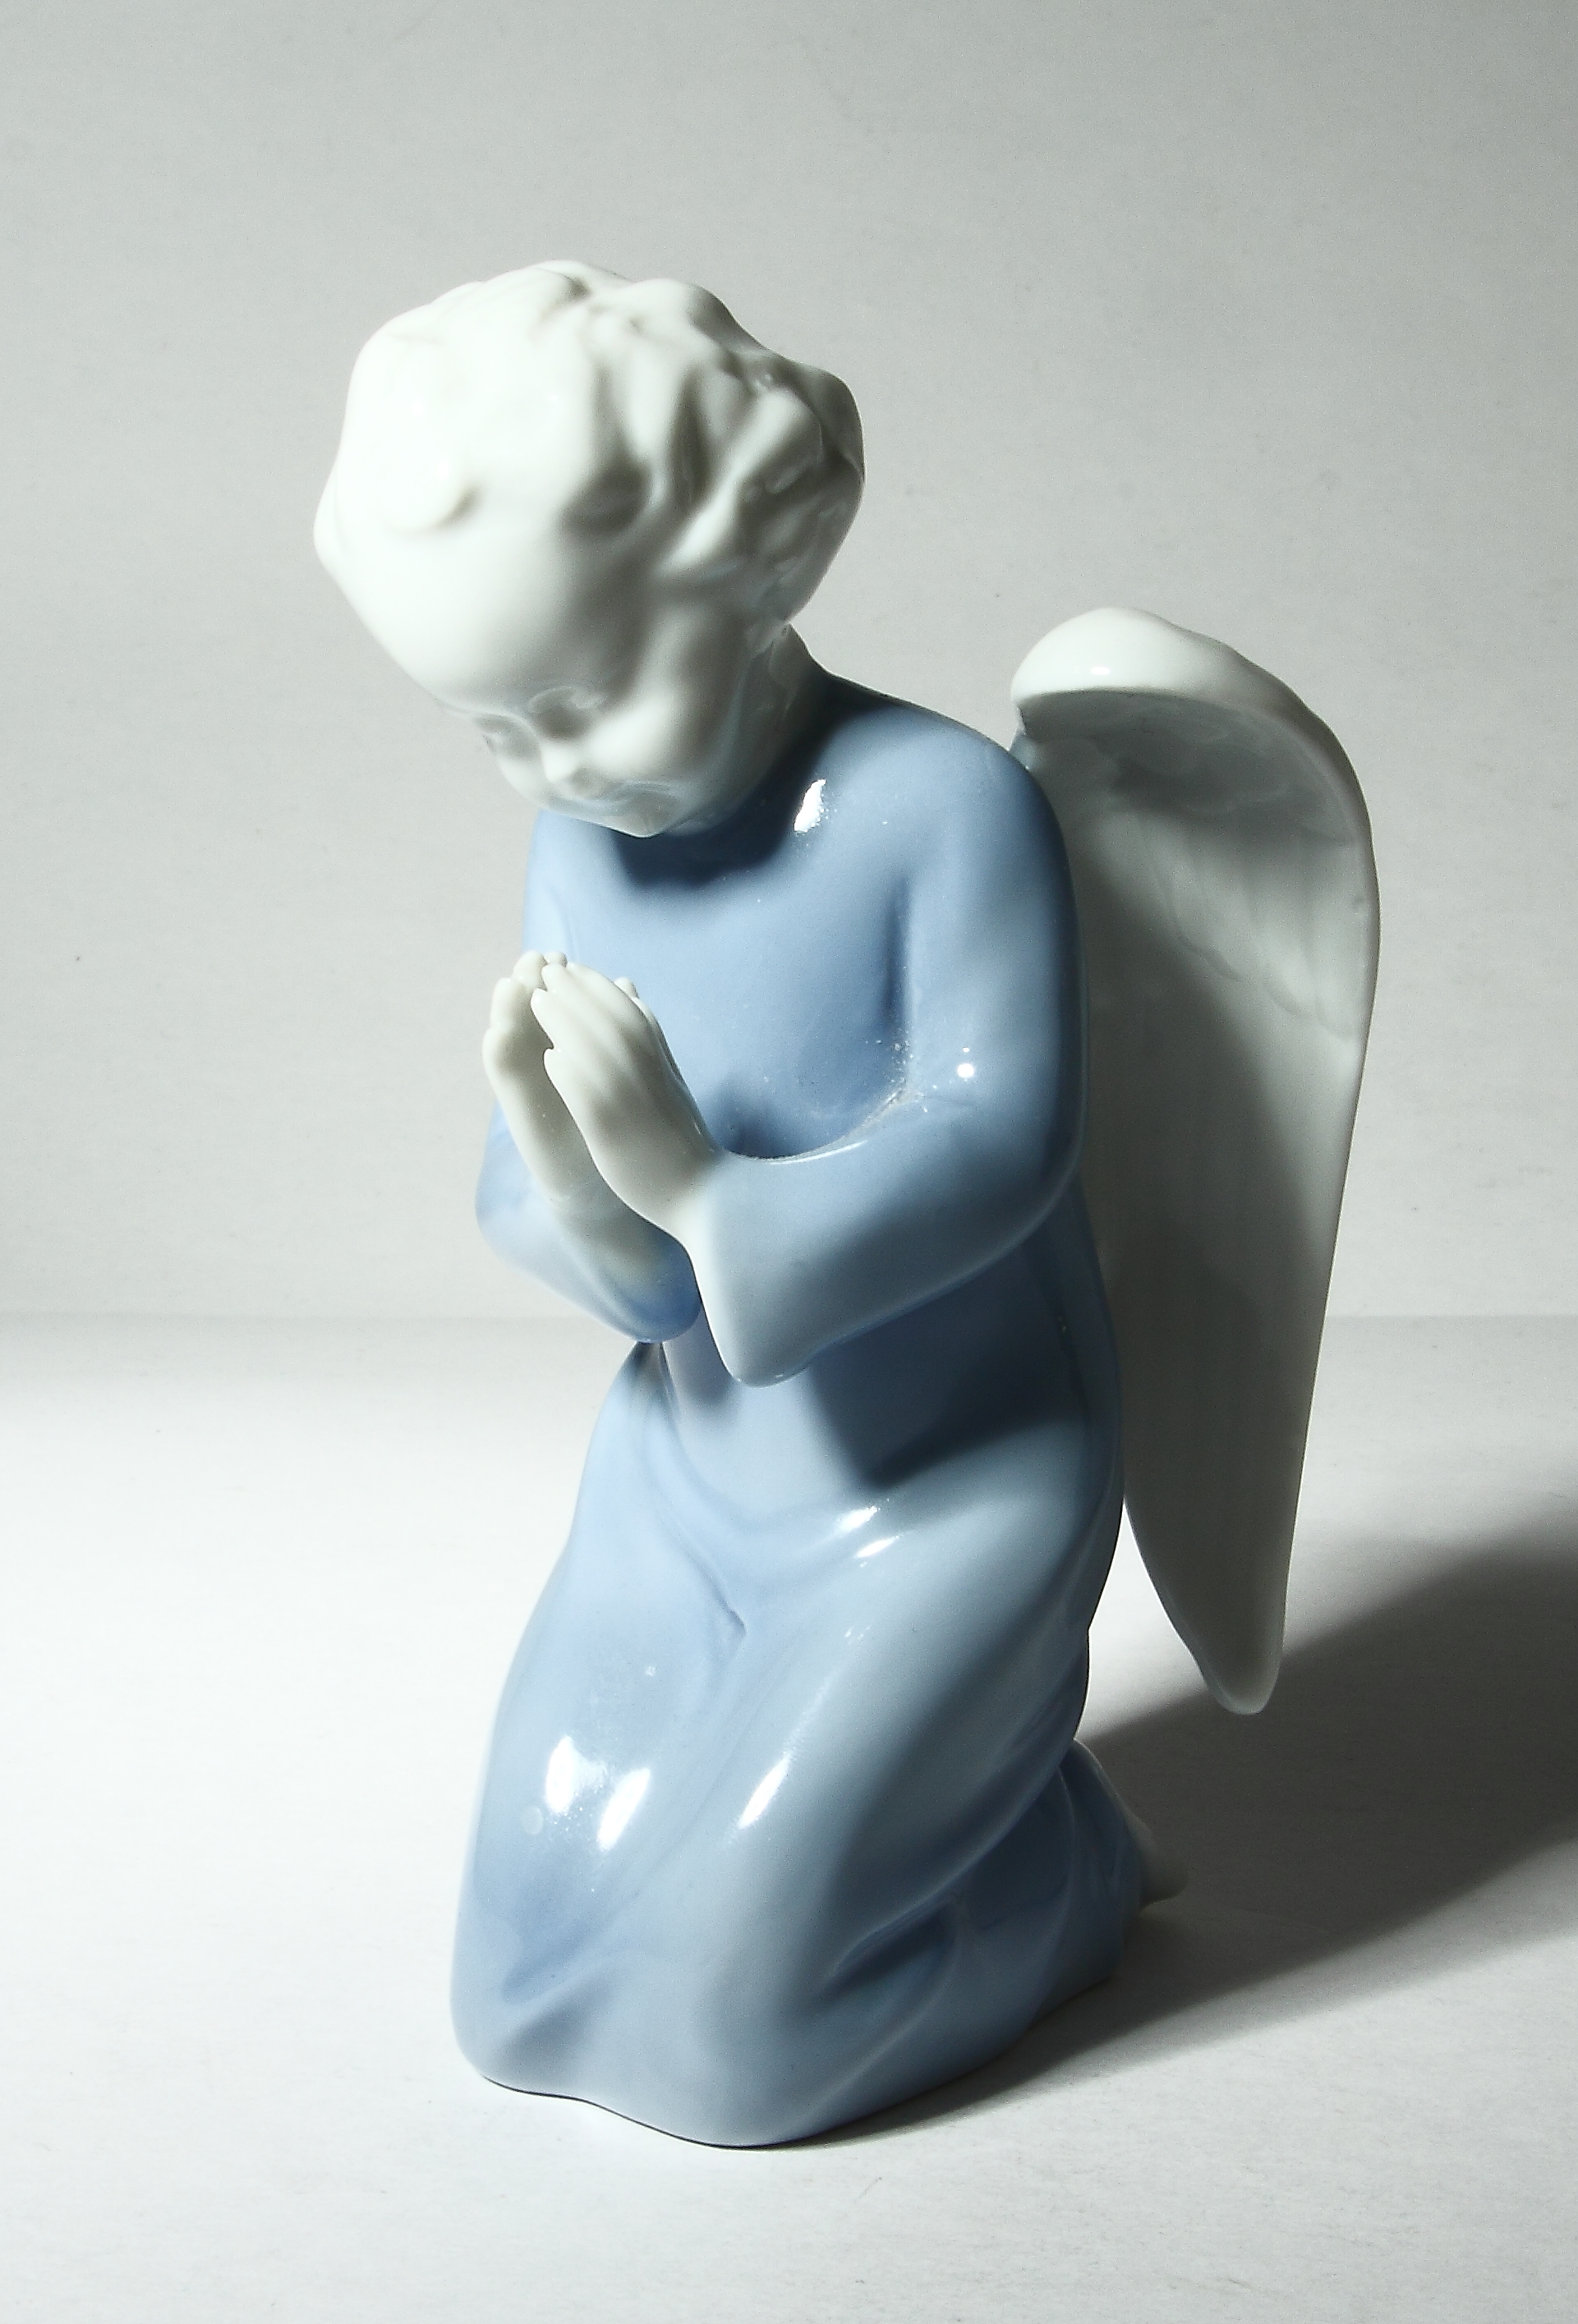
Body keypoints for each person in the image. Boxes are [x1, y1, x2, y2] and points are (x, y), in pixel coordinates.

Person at [317, 263, 1154, 2145]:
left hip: (944, 1482)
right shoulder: (579, 839)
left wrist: (700, 1181)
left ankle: (1057, 1875)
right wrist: (575, 1168)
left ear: (754, 570)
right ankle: (978, 1810)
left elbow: (1000, 1140)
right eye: (496, 727)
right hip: (689, 1477)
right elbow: (642, 1285)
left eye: (589, 693)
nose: (554, 769)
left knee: (736, 2041)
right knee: (519, 1987)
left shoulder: (939, 806)